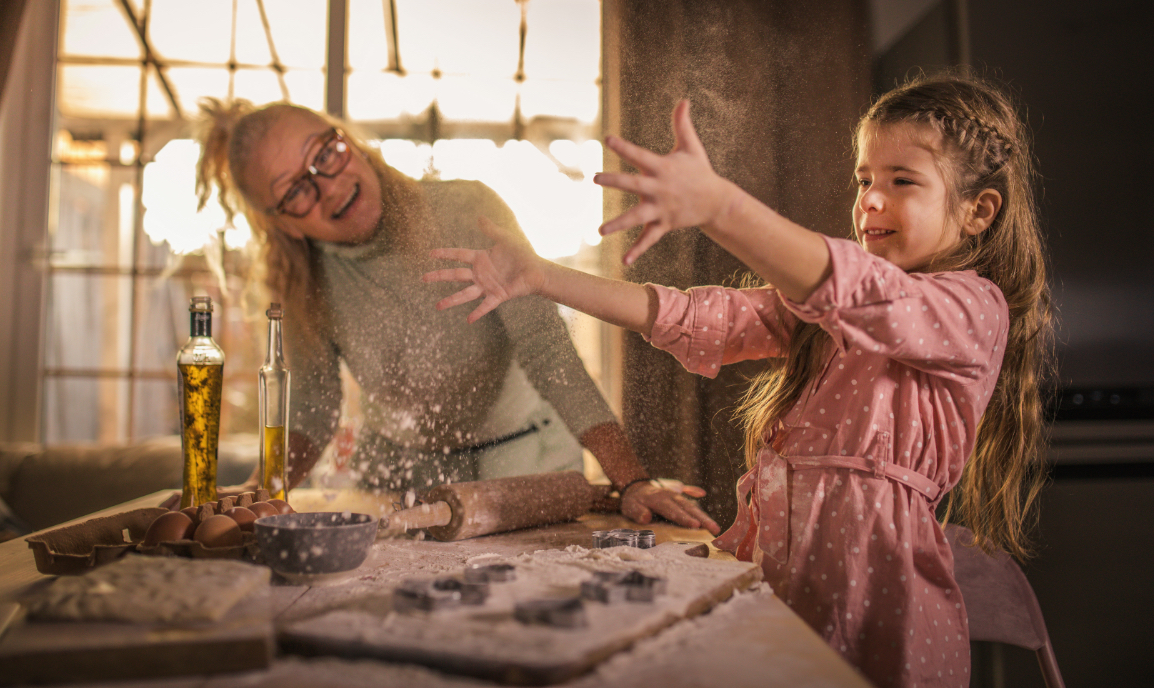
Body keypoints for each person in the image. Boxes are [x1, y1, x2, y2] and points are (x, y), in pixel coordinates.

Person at [424, 75, 1053, 688]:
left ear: (979, 211)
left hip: (880, 632)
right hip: (779, 613)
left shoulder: (973, 310)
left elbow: (863, 289)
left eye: (902, 181)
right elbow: (698, 316)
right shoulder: (822, 312)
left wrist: (719, 205)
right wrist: (541, 277)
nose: (871, 200)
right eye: (864, 179)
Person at [192, 99, 719, 534]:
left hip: (523, 469)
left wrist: (631, 481)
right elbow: (313, 408)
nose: (328, 186)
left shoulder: (468, 211)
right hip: (394, 480)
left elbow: (548, 354)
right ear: (281, 224)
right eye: (295, 191)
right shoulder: (304, 283)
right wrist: (260, 495)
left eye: (325, 154)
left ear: (349, 142)